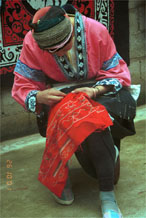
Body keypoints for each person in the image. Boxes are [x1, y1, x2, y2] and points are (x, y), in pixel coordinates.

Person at [12, 4, 136, 218]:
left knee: (92, 121)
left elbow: (117, 72)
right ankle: (62, 177)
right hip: (61, 94)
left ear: (71, 30)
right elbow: (24, 83)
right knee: (69, 114)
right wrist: (39, 96)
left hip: (100, 90)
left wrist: (95, 90)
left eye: (62, 46)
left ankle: (107, 194)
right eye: (51, 51)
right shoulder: (31, 41)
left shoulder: (95, 30)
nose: (58, 53)